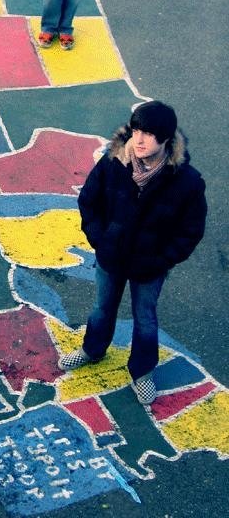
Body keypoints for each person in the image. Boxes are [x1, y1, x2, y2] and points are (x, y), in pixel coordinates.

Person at [58, 101, 207, 405]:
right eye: (136, 130)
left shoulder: (187, 182)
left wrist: (162, 260)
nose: (139, 140)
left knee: (145, 319)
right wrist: (101, 240)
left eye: (148, 134)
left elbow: (190, 231)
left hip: (149, 266)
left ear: (166, 138)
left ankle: (142, 372)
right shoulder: (113, 162)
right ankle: (92, 350)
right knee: (102, 309)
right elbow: (89, 201)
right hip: (111, 257)